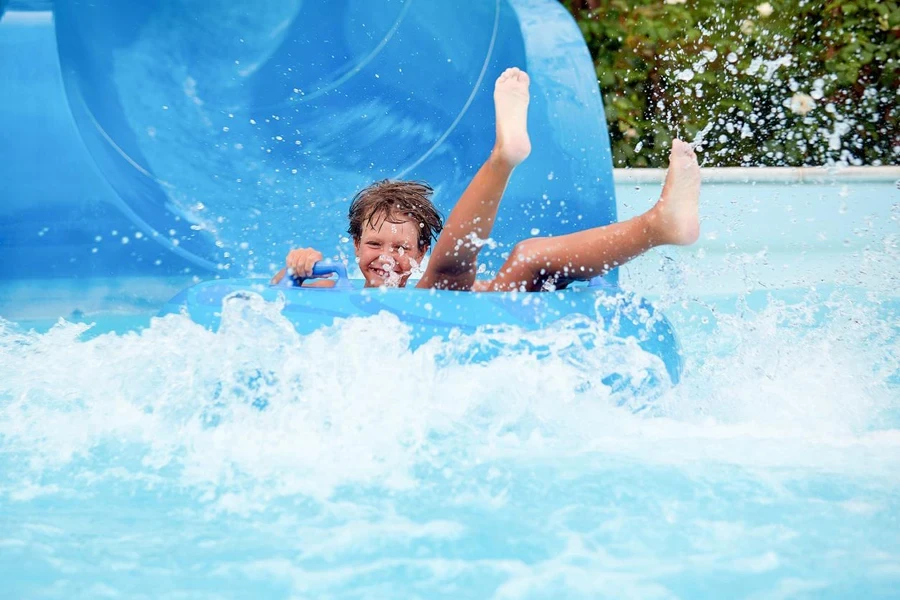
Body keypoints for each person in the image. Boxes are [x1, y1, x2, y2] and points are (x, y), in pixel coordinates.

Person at [271, 67, 700, 292]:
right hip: (441, 294)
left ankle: (658, 224)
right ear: (354, 246)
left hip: (448, 301)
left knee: (523, 257)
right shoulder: (334, 285)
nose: (386, 257)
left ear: (422, 251)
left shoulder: (429, 280)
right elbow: (276, 297)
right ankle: (504, 158)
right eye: (374, 244)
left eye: (402, 247)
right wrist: (297, 266)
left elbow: (469, 284)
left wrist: (484, 288)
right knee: (466, 271)